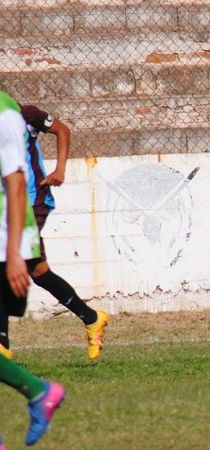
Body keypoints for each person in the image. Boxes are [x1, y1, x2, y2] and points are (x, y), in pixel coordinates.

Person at [0, 105, 109, 361]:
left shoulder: (24, 114)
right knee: (39, 271)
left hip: (33, 201)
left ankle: (2, 343)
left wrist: (60, 169)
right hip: (9, 206)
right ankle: (92, 319)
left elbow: (62, 130)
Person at [0, 90, 65, 446]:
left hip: (5, 240)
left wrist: (13, 254)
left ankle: (40, 393)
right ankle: (39, 393)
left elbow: (15, 183)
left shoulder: (7, 114)